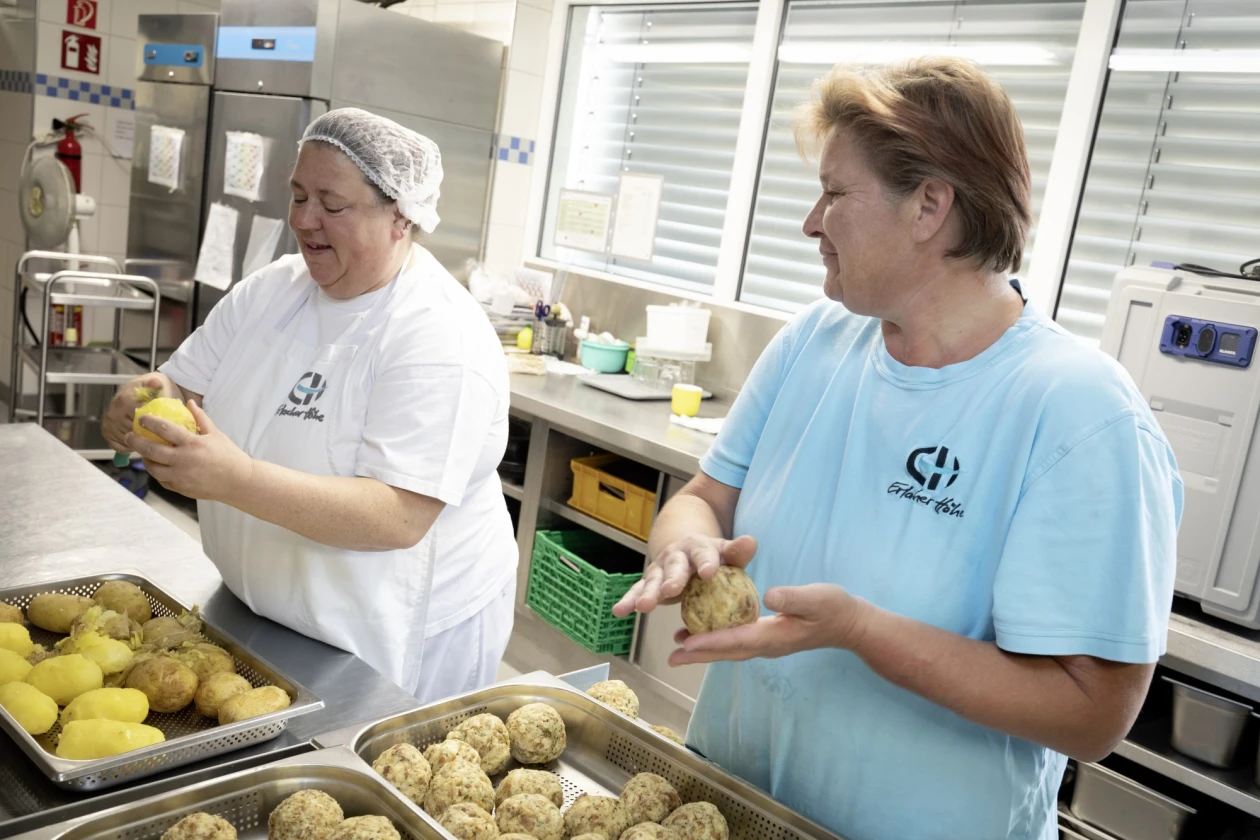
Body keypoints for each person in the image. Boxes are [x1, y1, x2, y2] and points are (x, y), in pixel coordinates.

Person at [614, 58, 1182, 840]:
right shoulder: (817, 341)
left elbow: (1092, 715)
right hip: (737, 803)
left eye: (835, 193)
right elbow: (705, 498)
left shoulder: (1077, 412)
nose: (811, 222)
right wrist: (684, 551)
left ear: (929, 206)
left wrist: (862, 632)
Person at [103, 108, 518, 704]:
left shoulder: (438, 337)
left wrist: (236, 479)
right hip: (263, 614)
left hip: (389, 640)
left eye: (332, 203)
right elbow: (180, 387)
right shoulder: (275, 289)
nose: (302, 219)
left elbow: (398, 516)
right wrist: (143, 402)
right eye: (297, 195)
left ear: (400, 214)